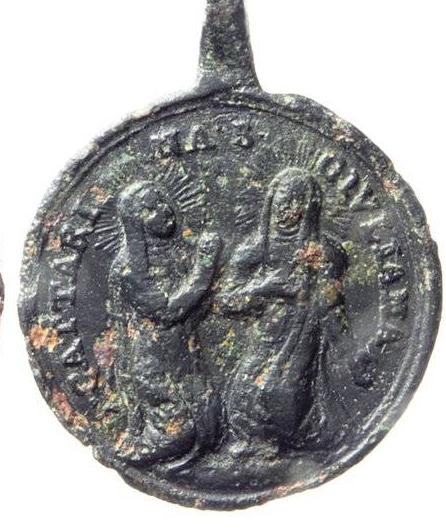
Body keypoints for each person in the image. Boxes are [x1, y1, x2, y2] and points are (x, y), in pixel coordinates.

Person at [217, 167, 348, 451]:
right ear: (271, 201)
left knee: (284, 396)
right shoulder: (255, 250)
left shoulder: (324, 253)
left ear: (308, 207)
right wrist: (264, 287)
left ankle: (296, 442)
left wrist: (347, 349)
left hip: (301, 340)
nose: (286, 209)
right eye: (281, 200)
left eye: (294, 202)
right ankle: (253, 443)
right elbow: (225, 301)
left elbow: (331, 309)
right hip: (265, 339)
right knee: (243, 399)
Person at [105, 181, 221, 466]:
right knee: (180, 431)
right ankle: (140, 453)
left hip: (184, 354)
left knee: (211, 421)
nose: (164, 210)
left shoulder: (176, 252)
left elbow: (200, 307)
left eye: (162, 201)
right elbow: (168, 311)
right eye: (150, 208)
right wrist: (206, 267)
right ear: (136, 222)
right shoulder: (129, 269)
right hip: (153, 365)